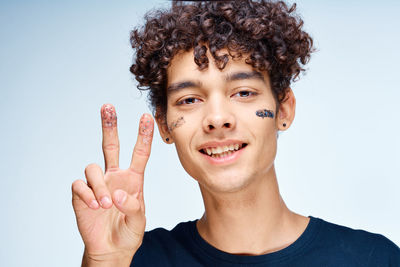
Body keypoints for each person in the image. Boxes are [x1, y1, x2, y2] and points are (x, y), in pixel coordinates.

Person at [71, 1, 400, 266]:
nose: (217, 118)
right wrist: (107, 261)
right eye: (189, 99)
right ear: (165, 126)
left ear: (283, 110)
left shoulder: (373, 259)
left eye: (243, 92)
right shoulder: (135, 259)